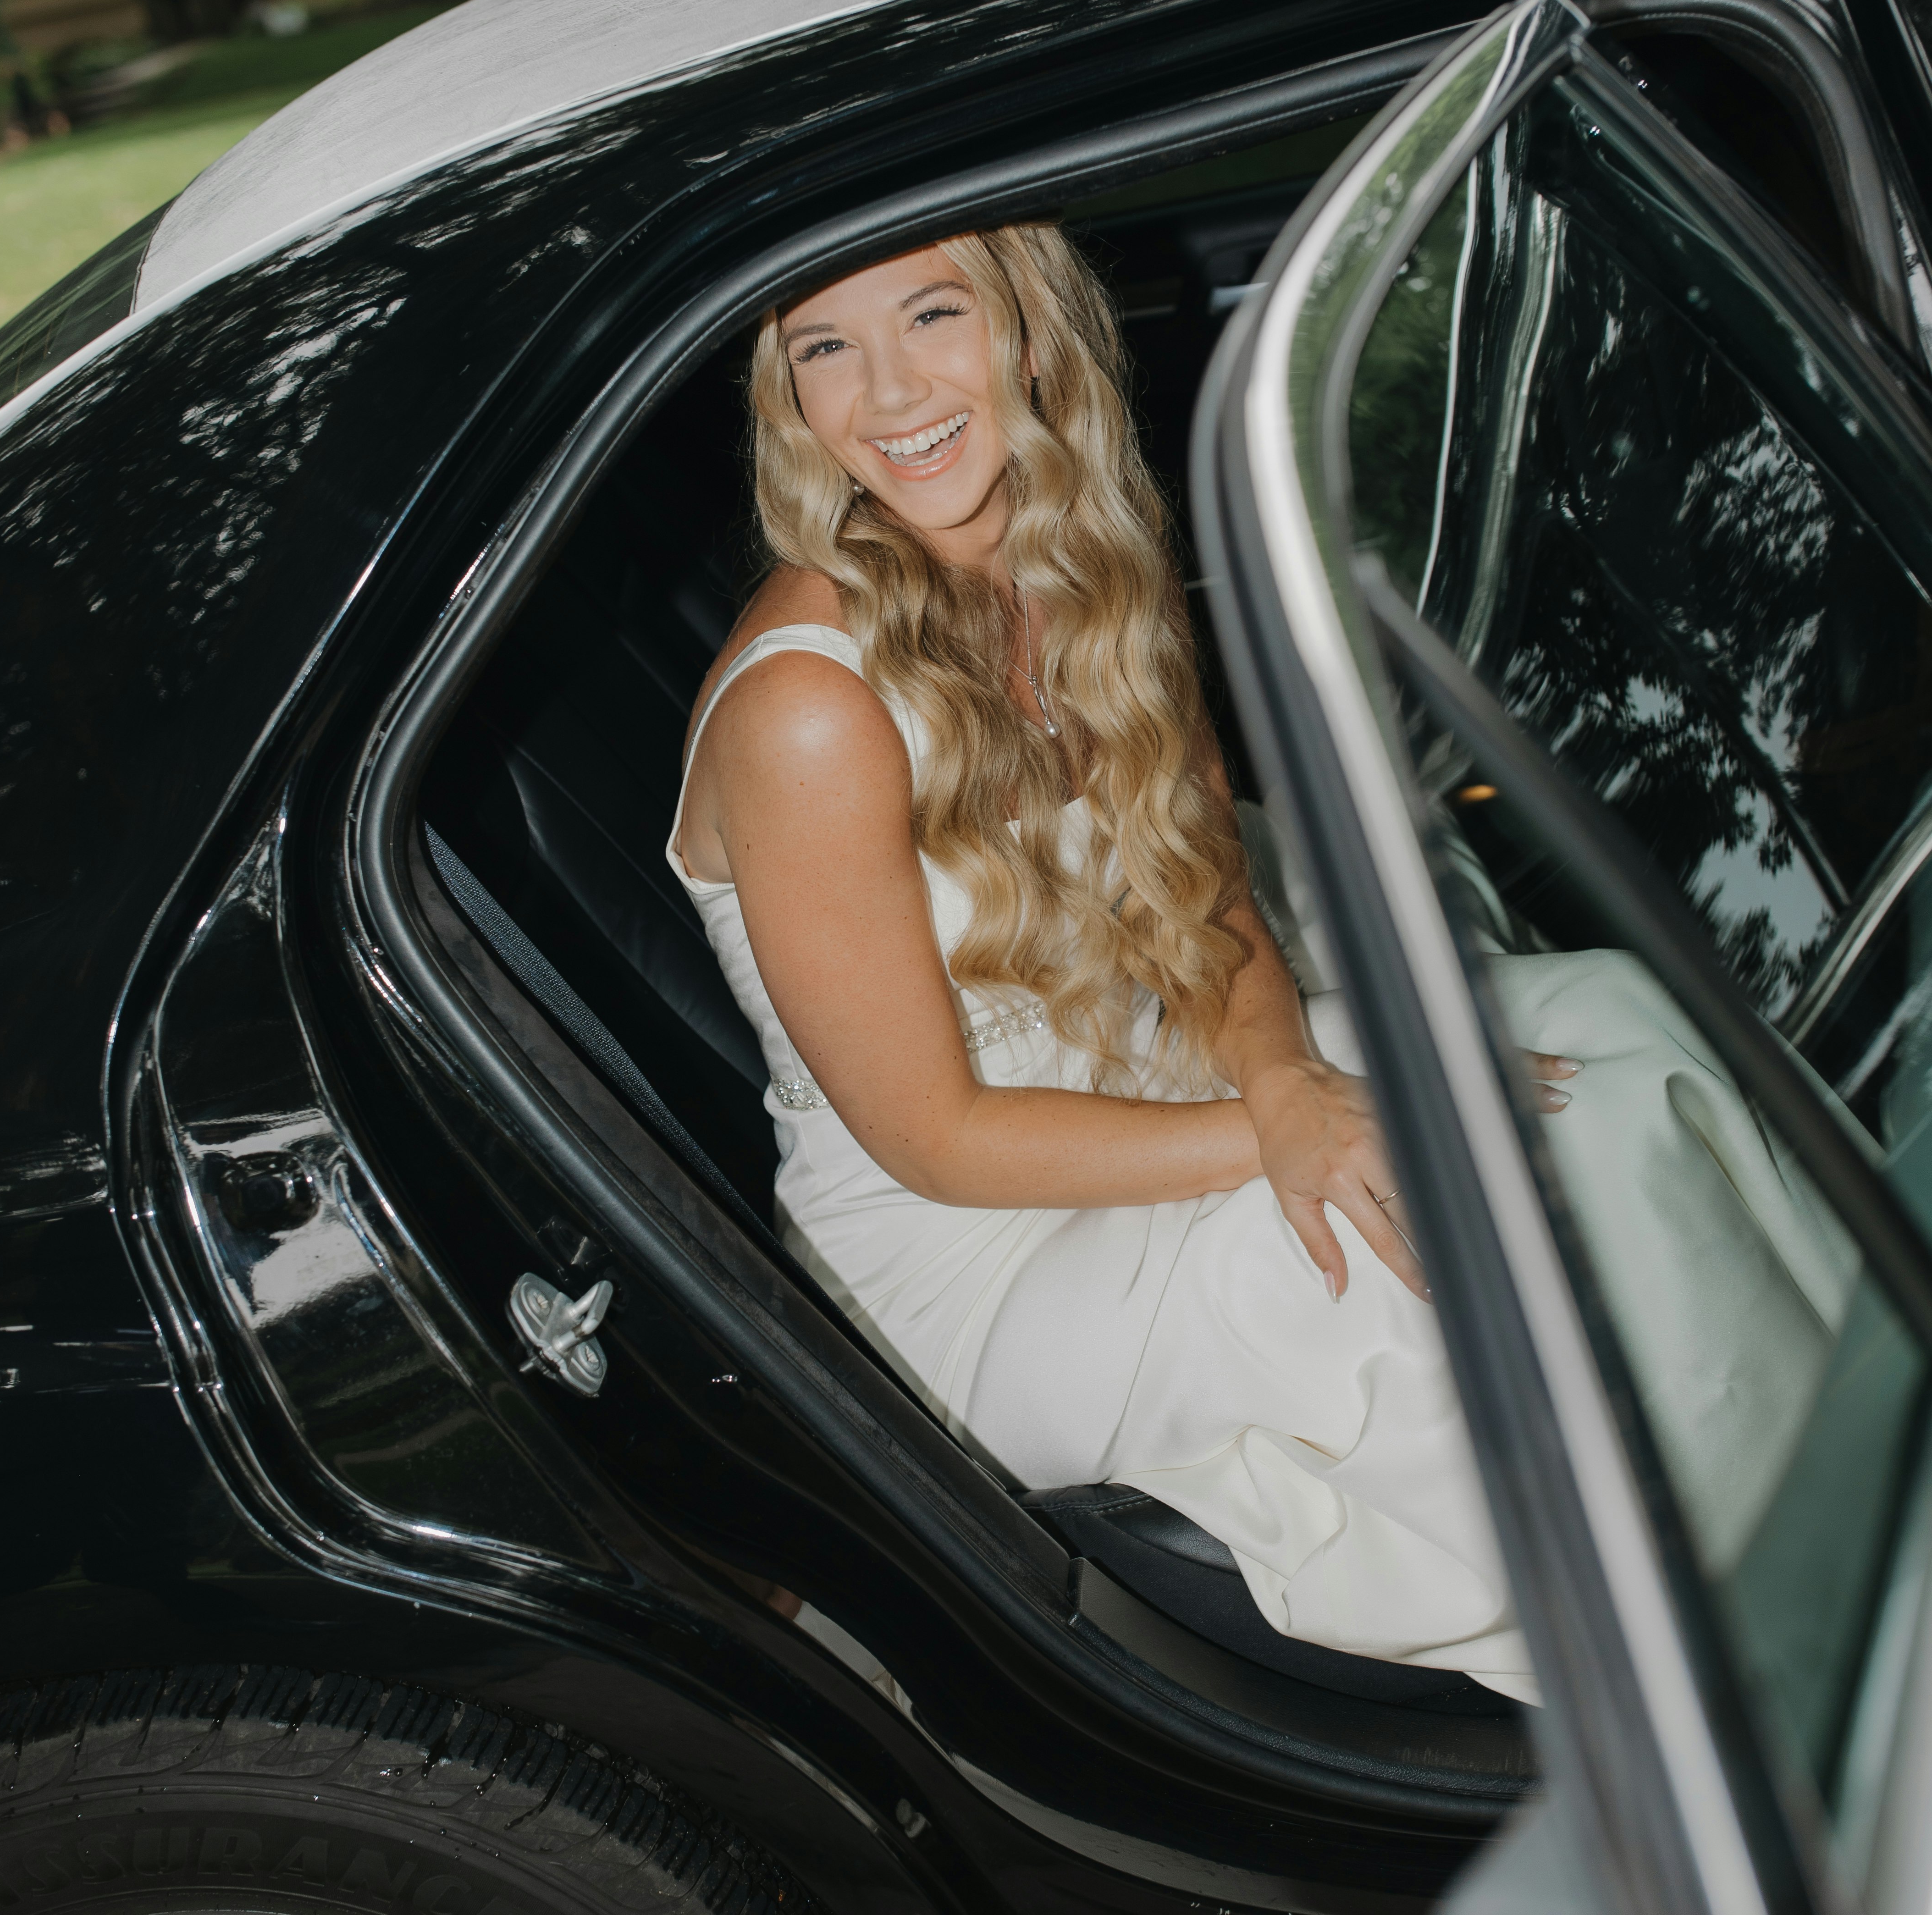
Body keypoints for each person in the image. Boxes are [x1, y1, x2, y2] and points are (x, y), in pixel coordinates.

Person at [665, 228, 1846, 1702]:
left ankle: (1863, 1493)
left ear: (1032, 330)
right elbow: (937, 1141)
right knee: (1502, 1204)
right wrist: (1279, 1128)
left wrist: (1287, 1072)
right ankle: (1774, 1671)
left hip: (1149, 1065)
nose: (889, 390)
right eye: (825, 346)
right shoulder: (806, 713)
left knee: (1615, 1019)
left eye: (933, 313)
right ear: (788, 393)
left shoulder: (1078, 555)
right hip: (975, 1261)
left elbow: (1209, 888)